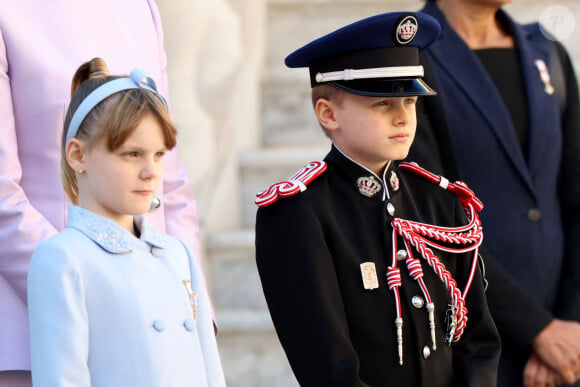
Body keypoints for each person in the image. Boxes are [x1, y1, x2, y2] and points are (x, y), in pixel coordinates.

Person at [254, 12, 501, 386]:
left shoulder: (441, 202)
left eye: (410, 102)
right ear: (328, 113)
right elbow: (326, 366)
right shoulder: (300, 213)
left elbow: (477, 341)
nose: (402, 118)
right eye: (382, 104)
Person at [0, 2, 204, 385]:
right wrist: (98, 297)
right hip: (40, 335)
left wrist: (189, 302)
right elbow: (2, 196)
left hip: (162, 339)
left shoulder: (139, 8)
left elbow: (171, 184)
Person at [407, 1, 580, 386]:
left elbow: (575, 196)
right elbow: (428, 218)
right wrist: (538, 330)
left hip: (569, 348)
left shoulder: (546, 49)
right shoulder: (410, 56)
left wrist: (570, 322)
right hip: (474, 344)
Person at [27, 58, 225, 387]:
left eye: (159, 154)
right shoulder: (62, 259)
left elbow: (210, 373)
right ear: (78, 155)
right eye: (132, 154)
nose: (151, 171)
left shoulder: (178, 254)